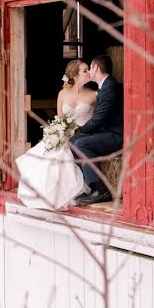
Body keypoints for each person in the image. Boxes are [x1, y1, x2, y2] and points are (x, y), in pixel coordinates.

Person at [14, 59, 96, 210]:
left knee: (63, 154)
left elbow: (98, 119)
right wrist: (57, 132)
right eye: (85, 70)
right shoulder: (62, 94)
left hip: (84, 134)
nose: (89, 72)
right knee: (47, 155)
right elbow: (59, 119)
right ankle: (41, 194)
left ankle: (67, 191)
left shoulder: (94, 95)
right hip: (65, 133)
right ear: (76, 75)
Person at [70, 54, 123, 205]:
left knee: (82, 144)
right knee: (74, 141)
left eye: (90, 68)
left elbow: (98, 119)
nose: (89, 72)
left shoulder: (109, 87)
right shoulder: (105, 86)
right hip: (107, 131)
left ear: (96, 68)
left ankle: (101, 190)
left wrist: (80, 130)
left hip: (116, 134)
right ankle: (88, 184)